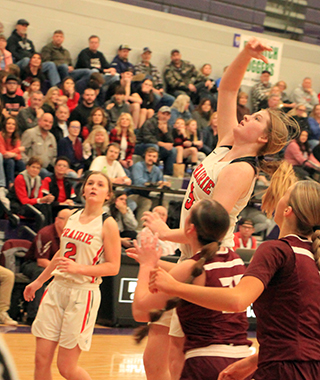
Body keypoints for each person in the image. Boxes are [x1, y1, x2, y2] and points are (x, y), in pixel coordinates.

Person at [141, 37, 298, 380]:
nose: (246, 116)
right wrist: (246, 53)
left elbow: (209, 226)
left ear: (261, 139)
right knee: (157, 356)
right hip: (190, 251)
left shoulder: (241, 170)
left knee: (173, 358)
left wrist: (161, 231)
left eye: (255, 117)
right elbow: (227, 90)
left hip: (208, 259)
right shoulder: (228, 141)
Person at [151, 180, 320, 380]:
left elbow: (238, 301)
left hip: (284, 369)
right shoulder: (313, 255)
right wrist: (253, 361)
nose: (279, 197)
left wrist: (176, 287)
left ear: (288, 210)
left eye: (285, 194)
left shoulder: (276, 249)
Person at [129, 199, 253, 380]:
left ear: (190, 229)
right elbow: (189, 274)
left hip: (206, 362)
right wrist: (153, 262)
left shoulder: (191, 267)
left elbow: (141, 310)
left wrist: (146, 266)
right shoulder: (236, 260)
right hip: (241, 362)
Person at [23, 171, 121, 380]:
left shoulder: (108, 224)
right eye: (90, 183)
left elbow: (113, 267)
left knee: (66, 367)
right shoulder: (73, 216)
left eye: (100, 185)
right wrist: (39, 281)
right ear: (84, 190)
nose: (94, 187)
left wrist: (79, 269)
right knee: (41, 361)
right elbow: (61, 254)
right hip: (57, 289)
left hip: (82, 294)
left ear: (108, 195)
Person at [21, 208, 73, 325]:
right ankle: (33, 316)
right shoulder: (45, 233)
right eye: (66, 219)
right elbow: (41, 261)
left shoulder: (71, 235)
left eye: (71, 220)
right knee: (40, 273)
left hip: (57, 266)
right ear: (57, 220)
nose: (69, 222)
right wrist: (60, 271)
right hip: (32, 264)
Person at [8, 156, 54, 230]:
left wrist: (47, 199)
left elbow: (39, 198)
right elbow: (24, 201)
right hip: (19, 206)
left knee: (47, 206)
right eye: (33, 167)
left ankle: (46, 232)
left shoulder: (38, 179)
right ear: (27, 167)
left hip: (30, 205)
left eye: (38, 168)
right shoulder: (20, 178)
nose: (35, 170)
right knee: (42, 209)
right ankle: (40, 233)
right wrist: (41, 200)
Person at [129, 147, 169, 230]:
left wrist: (165, 183)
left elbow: (162, 181)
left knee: (163, 203)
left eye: (154, 157)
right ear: (145, 156)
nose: (151, 158)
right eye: (149, 156)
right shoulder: (138, 166)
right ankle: (139, 229)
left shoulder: (156, 169)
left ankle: (161, 229)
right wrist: (154, 184)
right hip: (133, 194)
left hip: (147, 195)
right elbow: (138, 182)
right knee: (146, 202)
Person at [135, 106, 177, 176]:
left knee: (173, 150)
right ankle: (154, 172)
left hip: (157, 146)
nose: (165, 117)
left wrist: (165, 132)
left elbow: (171, 143)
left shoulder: (168, 126)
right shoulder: (150, 122)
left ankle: (168, 174)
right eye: (163, 114)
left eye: (167, 115)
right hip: (141, 145)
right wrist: (162, 144)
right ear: (159, 114)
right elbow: (147, 138)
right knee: (154, 147)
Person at [21, 112, 57, 178]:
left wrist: (60, 167)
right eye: (45, 121)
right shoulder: (30, 133)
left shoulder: (52, 137)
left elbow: (53, 157)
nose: (47, 124)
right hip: (33, 168)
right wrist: (30, 164)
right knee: (49, 177)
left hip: (47, 168)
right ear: (39, 121)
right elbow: (21, 152)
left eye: (50, 122)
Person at [0, 116, 25, 188]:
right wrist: (17, 150)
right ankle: (10, 185)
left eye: (13, 124)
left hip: (13, 159)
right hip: (3, 161)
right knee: (10, 162)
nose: (11, 126)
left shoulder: (16, 137)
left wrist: (12, 154)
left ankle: (24, 184)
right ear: (5, 125)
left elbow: (19, 156)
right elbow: (3, 154)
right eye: (8, 124)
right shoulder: (0, 136)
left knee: (21, 163)